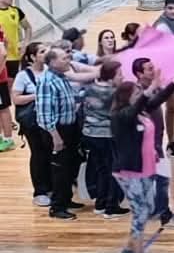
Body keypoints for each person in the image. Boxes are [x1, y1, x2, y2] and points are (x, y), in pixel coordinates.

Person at [111, 64, 174, 253]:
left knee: (147, 209)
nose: (140, 96)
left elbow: (157, 100)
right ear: (126, 97)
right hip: (129, 171)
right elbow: (136, 107)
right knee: (141, 212)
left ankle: (129, 249)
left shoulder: (141, 112)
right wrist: (149, 89)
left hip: (146, 168)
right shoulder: (121, 116)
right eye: (136, 94)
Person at [130, 59, 174, 231]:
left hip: (155, 143)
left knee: (156, 180)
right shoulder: (136, 92)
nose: (153, 70)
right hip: (147, 145)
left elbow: (160, 97)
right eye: (149, 69)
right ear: (139, 73)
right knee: (161, 180)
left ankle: (154, 211)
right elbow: (150, 104)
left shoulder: (152, 88)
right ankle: (165, 215)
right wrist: (172, 84)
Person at [36, 46, 87, 220]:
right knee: (60, 169)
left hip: (69, 128)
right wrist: (55, 137)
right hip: (57, 131)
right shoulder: (46, 81)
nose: (68, 61)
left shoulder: (61, 76)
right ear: (52, 62)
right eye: (64, 58)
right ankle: (57, 207)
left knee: (70, 166)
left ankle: (66, 199)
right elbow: (44, 114)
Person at [81, 60, 127, 219]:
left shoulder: (90, 87)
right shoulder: (114, 93)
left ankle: (100, 204)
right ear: (110, 76)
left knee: (101, 170)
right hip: (106, 135)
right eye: (119, 74)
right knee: (113, 171)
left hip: (90, 134)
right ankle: (111, 207)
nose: (122, 77)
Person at [13, 44, 52, 205]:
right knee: (38, 153)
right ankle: (40, 191)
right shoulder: (23, 75)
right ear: (32, 57)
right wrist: (37, 95)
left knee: (51, 153)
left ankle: (51, 187)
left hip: (50, 120)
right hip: (33, 123)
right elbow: (16, 99)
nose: (46, 53)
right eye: (42, 52)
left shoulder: (50, 71)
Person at [0, 0, 33, 78]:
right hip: (1, 56)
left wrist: (25, 44)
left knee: (12, 82)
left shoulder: (16, 11)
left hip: (14, 55)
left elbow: (28, 27)